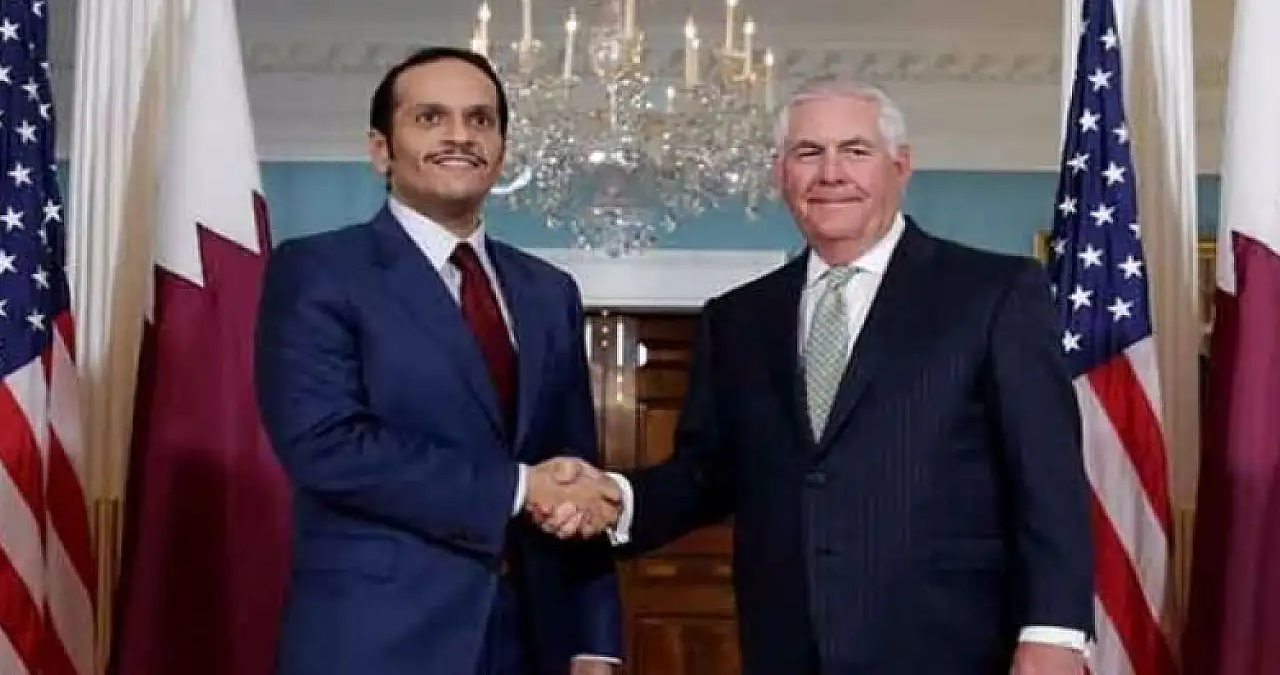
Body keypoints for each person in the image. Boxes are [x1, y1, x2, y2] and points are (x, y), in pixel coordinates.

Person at [540, 77, 1095, 674]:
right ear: (781, 174)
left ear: (900, 166)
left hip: (953, 647)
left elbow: (1048, 478)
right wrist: (613, 498)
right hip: (787, 648)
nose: (831, 173)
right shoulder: (738, 318)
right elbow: (706, 473)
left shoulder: (994, 293)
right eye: (809, 152)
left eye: (855, 150)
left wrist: (1056, 631)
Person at [254, 46, 624, 675]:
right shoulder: (319, 270)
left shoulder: (548, 291)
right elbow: (327, 445)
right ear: (381, 150)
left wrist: (595, 638)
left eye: (480, 120)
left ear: (501, 151)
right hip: (376, 642)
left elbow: (574, 468)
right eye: (430, 118)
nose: (460, 135)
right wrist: (517, 487)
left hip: (529, 642)